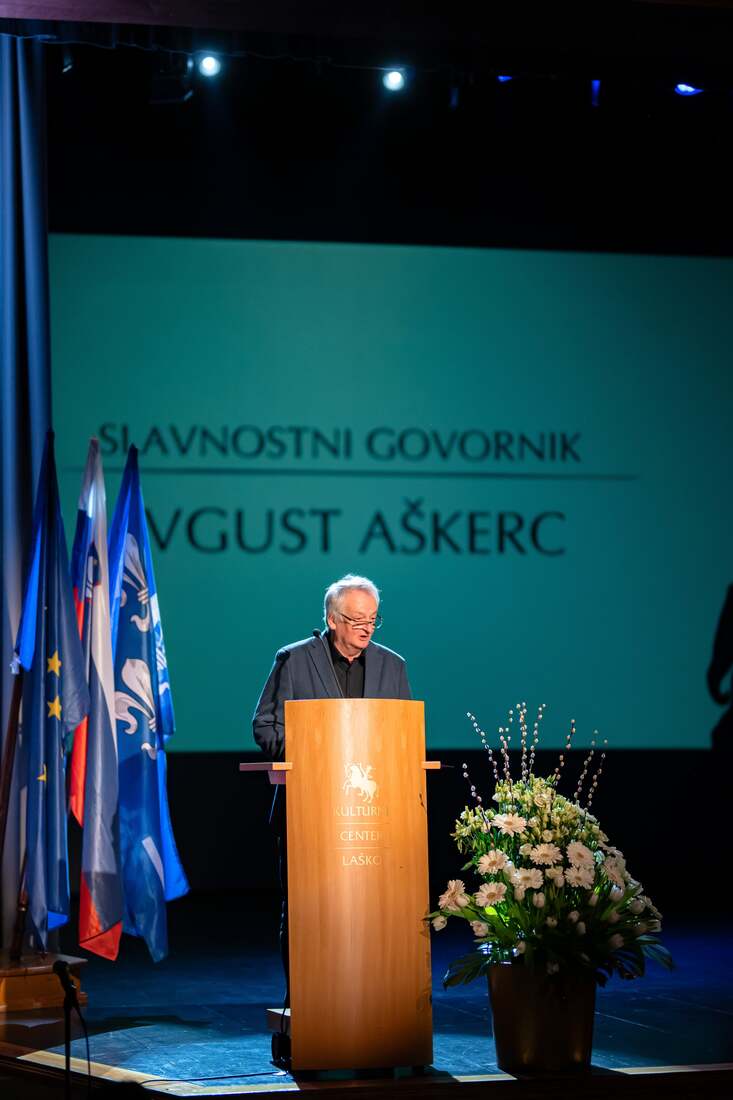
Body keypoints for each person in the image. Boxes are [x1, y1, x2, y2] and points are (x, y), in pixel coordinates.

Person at [252, 573, 411, 1003]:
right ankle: (306, 1004)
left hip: (374, 817)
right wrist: (317, 753)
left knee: (374, 910)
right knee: (309, 912)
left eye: (372, 619)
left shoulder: (392, 666)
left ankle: (372, 1002)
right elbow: (265, 727)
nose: (366, 628)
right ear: (332, 618)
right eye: (357, 619)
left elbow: (405, 737)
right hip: (311, 812)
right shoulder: (294, 659)